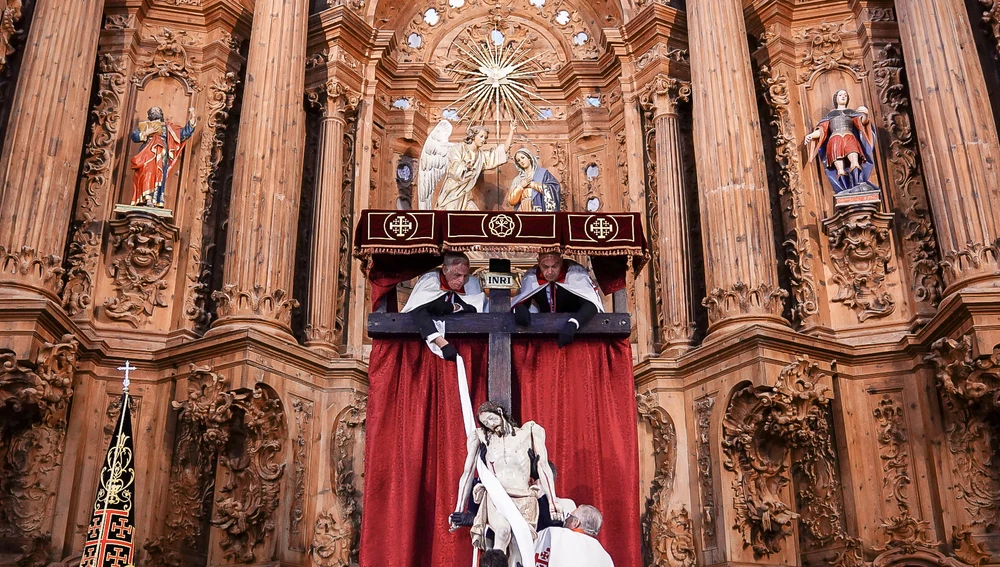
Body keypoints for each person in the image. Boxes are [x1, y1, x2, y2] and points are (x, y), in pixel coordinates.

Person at [450, 402, 565, 565]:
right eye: (485, 423)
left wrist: (553, 502)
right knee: (502, 532)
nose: (490, 424)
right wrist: (458, 509)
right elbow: (467, 472)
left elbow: (543, 466)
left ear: (499, 412)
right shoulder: (481, 437)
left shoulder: (530, 431)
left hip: (524, 496)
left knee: (519, 543)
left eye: (491, 418)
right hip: (498, 496)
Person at [400, 252, 485, 361]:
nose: (461, 280)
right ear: (445, 270)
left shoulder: (472, 283)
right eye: (457, 275)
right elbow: (418, 311)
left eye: (465, 275)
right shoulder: (430, 281)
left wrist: (455, 307)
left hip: (463, 344)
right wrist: (443, 344)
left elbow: (477, 309)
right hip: (425, 347)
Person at [511, 252, 604, 347]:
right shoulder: (532, 276)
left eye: (554, 266)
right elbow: (523, 299)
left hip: (574, 336)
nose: (550, 272)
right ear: (538, 262)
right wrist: (519, 307)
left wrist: (574, 323)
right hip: (544, 336)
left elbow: (591, 304)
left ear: (561, 261)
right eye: (545, 267)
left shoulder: (576, 273)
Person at [804, 89, 879, 195]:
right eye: (840, 95)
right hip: (835, 140)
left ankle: (858, 184)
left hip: (849, 138)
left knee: (855, 161)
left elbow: (862, 122)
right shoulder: (830, 115)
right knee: (840, 168)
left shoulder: (851, 113)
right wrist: (811, 135)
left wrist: (865, 114)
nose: (843, 96)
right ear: (836, 99)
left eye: (845, 95)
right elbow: (822, 131)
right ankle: (845, 189)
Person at [433, 124, 516, 210]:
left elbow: (500, 152)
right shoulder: (458, 148)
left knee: (474, 214)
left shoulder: (481, 156)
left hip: (466, 194)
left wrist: (511, 131)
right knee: (449, 215)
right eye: (481, 136)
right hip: (452, 193)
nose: (483, 140)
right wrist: (464, 166)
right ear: (473, 136)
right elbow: (453, 165)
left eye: (485, 138)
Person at [129, 106, 197, 208]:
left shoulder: (168, 127)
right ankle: (145, 198)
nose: (155, 112)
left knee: (159, 175)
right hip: (147, 154)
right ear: (149, 115)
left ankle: (155, 200)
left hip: (161, 155)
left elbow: (182, 134)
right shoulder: (145, 126)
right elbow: (134, 136)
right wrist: (146, 133)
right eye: (153, 111)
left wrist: (192, 120)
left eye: (157, 111)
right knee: (146, 173)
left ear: (161, 114)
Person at [534, 505, 614, 567]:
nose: (566, 520)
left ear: (576, 523)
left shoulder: (556, 534)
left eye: (569, 516)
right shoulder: (605, 556)